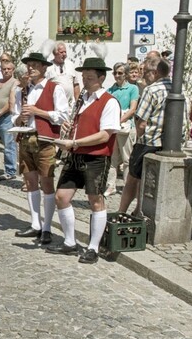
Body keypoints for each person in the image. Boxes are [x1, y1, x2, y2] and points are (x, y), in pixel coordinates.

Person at [47, 58, 120, 263]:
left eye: (90, 77)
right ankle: (70, 242)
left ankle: (93, 248)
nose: (85, 81)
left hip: (96, 157)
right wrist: (68, 130)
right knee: (61, 196)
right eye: (84, 77)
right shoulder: (82, 99)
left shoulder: (109, 101)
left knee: (95, 200)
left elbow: (105, 135)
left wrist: (75, 142)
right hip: (76, 154)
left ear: (101, 78)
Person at [13, 52, 69, 244]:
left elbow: (63, 115)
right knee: (29, 182)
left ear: (44, 68)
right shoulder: (23, 91)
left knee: (46, 183)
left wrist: (38, 112)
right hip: (26, 137)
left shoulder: (54, 88)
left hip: (45, 139)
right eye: (29, 65)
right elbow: (15, 115)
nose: (31, 68)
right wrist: (20, 117)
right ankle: (35, 223)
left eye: (35, 65)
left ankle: (47, 227)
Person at [118, 56, 171, 217]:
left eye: (145, 71)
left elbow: (141, 122)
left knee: (133, 179)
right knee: (147, 181)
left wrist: (139, 138)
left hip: (148, 141)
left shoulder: (152, 90)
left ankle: (121, 212)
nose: (143, 75)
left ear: (154, 72)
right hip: (167, 143)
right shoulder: (177, 88)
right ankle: (138, 210)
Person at [105, 62, 140, 195]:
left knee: (127, 159)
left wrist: (119, 120)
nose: (117, 75)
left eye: (120, 73)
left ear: (125, 74)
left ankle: (127, 186)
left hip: (125, 126)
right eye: (115, 73)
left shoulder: (132, 88)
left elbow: (132, 109)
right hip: (113, 128)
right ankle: (111, 185)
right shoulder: (110, 90)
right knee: (112, 159)